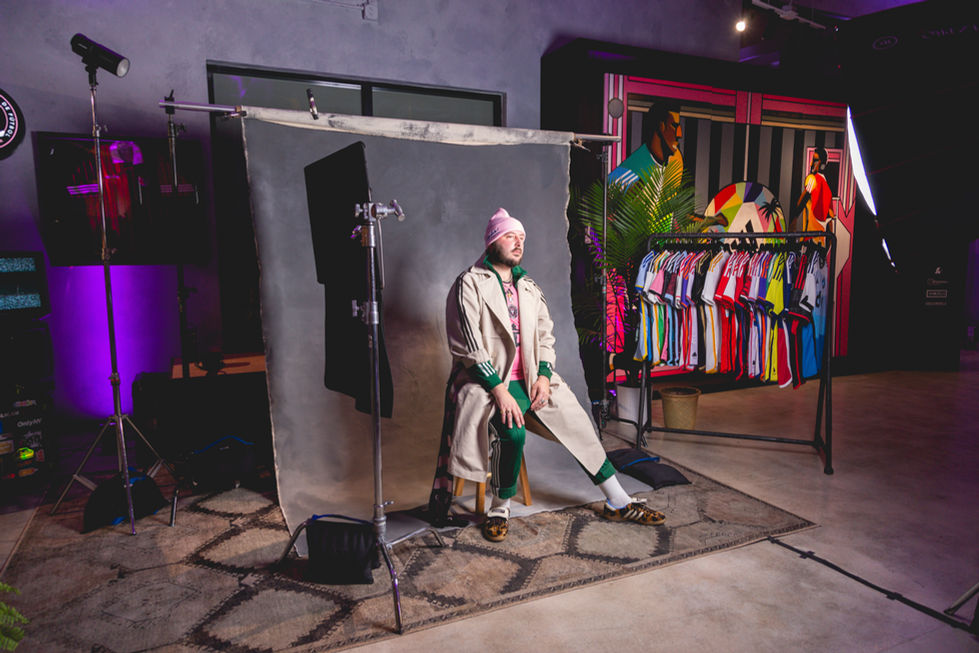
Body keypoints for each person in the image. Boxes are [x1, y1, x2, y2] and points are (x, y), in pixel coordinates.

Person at [436, 208, 666, 542]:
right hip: (487, 383)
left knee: (578, 423)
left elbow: (546, 337)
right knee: (512, 433)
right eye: (510, 236)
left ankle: (618, 499)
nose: (518, 243)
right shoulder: (469, 283)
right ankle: (500, 508)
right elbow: (469, 346)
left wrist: (544, 377)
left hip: (531, 381)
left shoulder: (529, 287)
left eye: (522, 237)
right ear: (492, 241)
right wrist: (499, 390)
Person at [792, 146, 835, 232]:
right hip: (821, 234)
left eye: (815, 160)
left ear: (822, 165)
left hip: (811, 235)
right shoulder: (825, 183)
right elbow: (829, 216)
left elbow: (804, 197)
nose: (811, 164)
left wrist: (794, 219)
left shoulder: (813, 178)